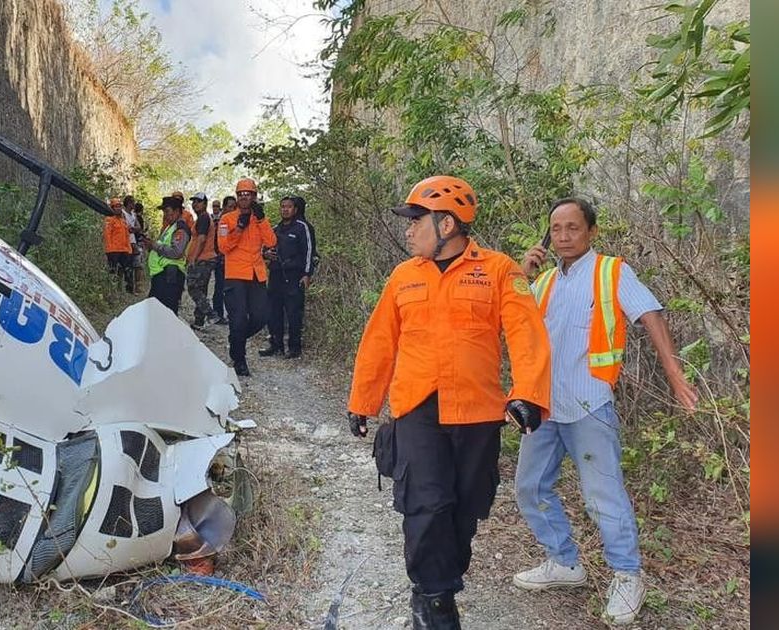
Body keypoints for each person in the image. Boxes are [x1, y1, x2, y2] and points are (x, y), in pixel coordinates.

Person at [346, 175, 551, 629]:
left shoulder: (498, 270)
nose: (408, 229)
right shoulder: (403, 276)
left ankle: (444, 579)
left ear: (447, 224)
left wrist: (528, 394)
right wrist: (363, 401)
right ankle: (432, 601)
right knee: (427, 503)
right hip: (417, 408)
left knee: (467, 504)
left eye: (416, 220)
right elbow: (380, 341)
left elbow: (525, 334)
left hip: (477, 410)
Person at [511, 197, 699, 625]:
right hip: (543, 408)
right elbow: (510, 323)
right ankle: (564, 563)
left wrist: (675, 375)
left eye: (572, 227)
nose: (563, 236)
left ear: (591, 232)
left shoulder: (611, 271)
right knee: (530, 487)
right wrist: (522, 275)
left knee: (603, 496)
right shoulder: (541, 284)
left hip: (589, 405)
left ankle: (628, 576)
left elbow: (650, 314)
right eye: (556, 228)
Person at [217, 178, 276, 377]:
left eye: (248, 194)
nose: (245, 197)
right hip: (235, 276)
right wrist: (239, 230)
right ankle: (239, 359)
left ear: (254, 196)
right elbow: (223, 247)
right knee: (239, 318)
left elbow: (271, 241)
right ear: (237, 196)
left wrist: (261, 220)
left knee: (261, 316)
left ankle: (236, 339)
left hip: (256, 274)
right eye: (241, 194)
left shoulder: (259, 218)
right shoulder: (227, 219)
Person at [260, 196, 316, 358]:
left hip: (294, 276)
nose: (285, 209)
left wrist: (307, 274)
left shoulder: (302, 228)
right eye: (282, 206)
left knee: (293, 313)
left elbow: (309, 252)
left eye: (289, 207)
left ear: (295, 209)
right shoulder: (275, 228)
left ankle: (294, 348)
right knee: (273, 312)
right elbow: (265, 247)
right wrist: (265, 254)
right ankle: (276, 345)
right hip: (276, 275)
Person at [142, 196, 192, 314]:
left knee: (166, 313)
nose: (165, 215)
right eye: (164, 212)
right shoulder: (170, 227)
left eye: (167, 211)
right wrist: (151, 246)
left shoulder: (180, 228)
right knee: (156, 311)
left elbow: (176, 252)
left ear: (177, 211)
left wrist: (154, 245)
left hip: (170, 275)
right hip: (163, 274)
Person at [185, 192, 219, 329]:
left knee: (193, 287)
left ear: (205, 204)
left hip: (203, 259)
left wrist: (193, 258)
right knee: (201, 289)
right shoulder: (202, 218)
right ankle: (199, 321)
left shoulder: (204, 218)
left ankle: (211, 314)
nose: (195, 204)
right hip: (205, 258)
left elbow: (202, 239)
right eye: (193, 202)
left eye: (198, 202)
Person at [211, 196, 235, 324]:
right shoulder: (222, 222)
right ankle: (218, 314)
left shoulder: (236, 221)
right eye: (230, 206)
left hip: (234, 261)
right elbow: (219, 242)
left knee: (232, 289)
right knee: (220, 287)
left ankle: (232, 314)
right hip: (222, 260)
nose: (232, 209)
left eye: (234, 207)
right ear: (224, 207)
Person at [103, 197, 134, 292]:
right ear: (112, 208)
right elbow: (107, 235)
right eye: (116, 206)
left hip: (125, 250)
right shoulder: (109, 220)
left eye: (120, 206)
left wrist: (129, 249)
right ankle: (113, 291)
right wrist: (109, 251)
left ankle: (129, 291)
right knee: (113, 272)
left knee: (128, 272)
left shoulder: (123, 220)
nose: (118, 208)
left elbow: (127, 236)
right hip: (113, 251)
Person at [122, 195, 146, 294]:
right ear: (129, 203)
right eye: (132, 202)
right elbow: (125, 227)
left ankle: (137, 287)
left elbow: (138, 227)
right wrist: (131, 229)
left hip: (133, 242)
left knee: (137, 264)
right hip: (124, 242)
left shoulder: (133, 214)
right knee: (127, 266)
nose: (134, 204)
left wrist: (132, 229)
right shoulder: (123, 213)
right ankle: (128, 288)